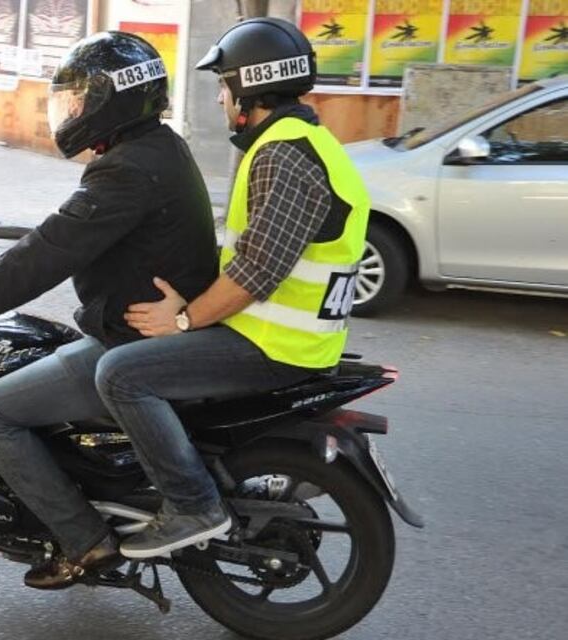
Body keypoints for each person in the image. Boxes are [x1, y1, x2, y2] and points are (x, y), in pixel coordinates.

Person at [0, 32, 218, 589]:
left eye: (78, 99)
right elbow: (61, 237)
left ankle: (84, 542)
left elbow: (47, 255)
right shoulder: (157, 148)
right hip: (139, 331)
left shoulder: (125, 170)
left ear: (110, 100)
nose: (70, 111)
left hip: (132, 344)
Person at [94, 17, 372, 559]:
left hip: (275, 347)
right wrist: (190, 304)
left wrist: (182, 321)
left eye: (224, 86)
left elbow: (256, 273)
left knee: (121, 375)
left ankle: (191, 504)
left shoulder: (283, 155)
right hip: (281, 335)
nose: (221, 99)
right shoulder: (308, 143)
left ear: (249, 89)